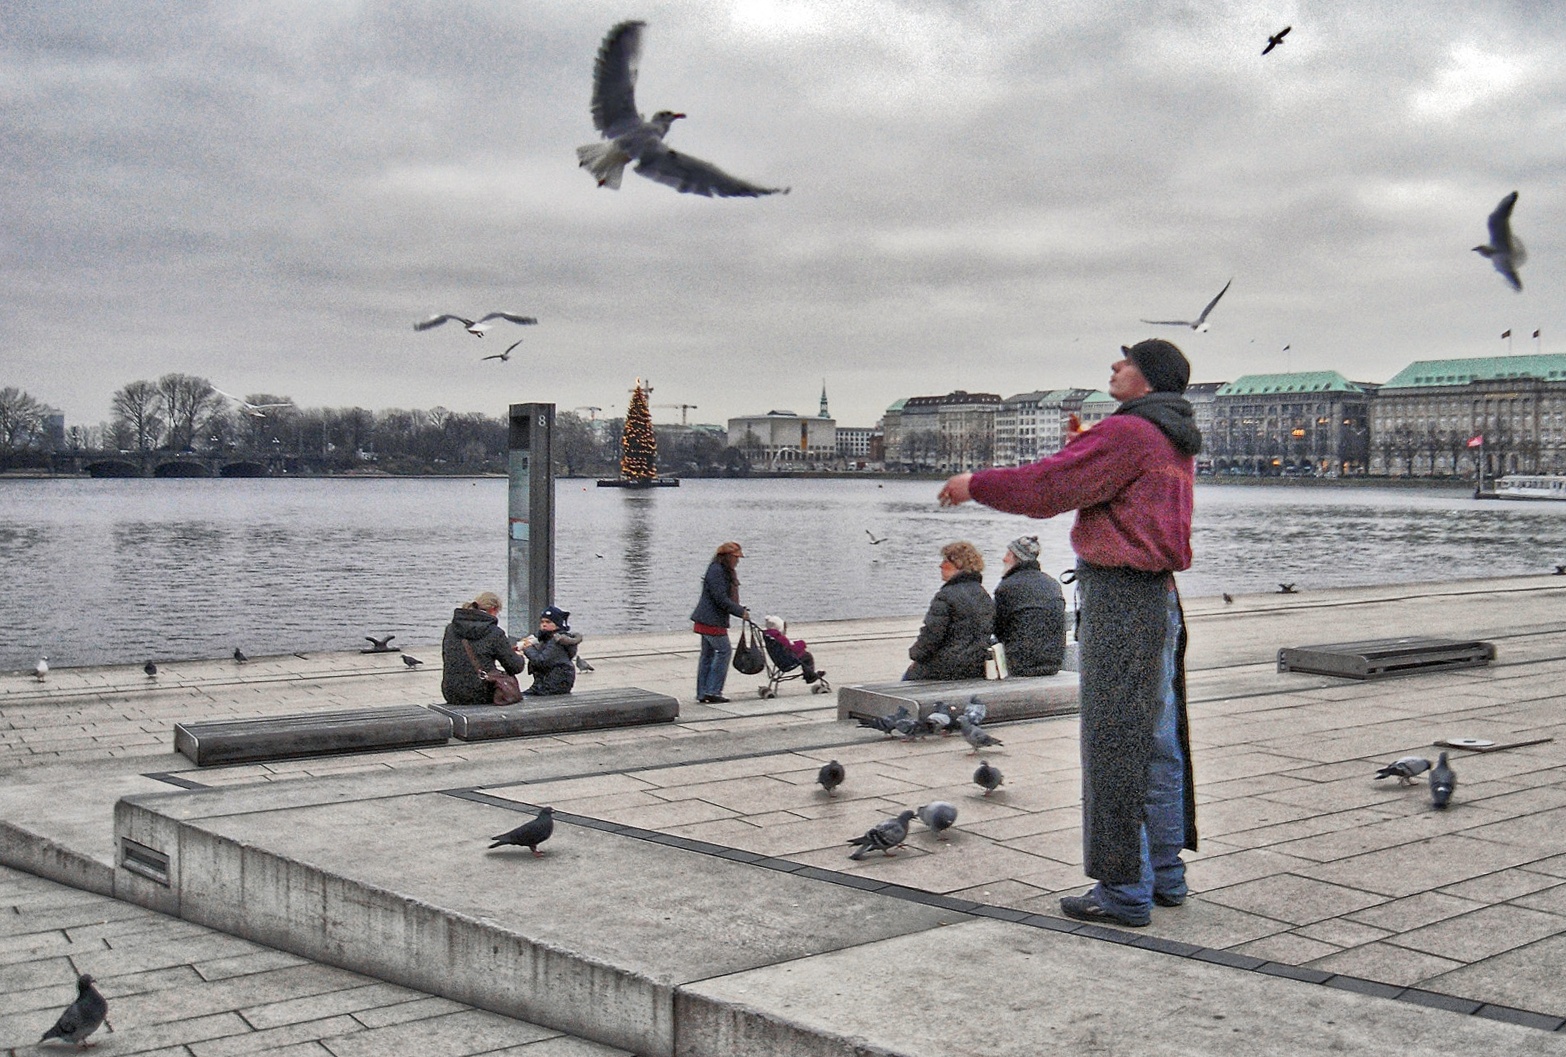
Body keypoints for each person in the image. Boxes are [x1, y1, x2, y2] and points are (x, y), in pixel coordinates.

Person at [937, 338, 1201, 928]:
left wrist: (973, 483)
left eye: (1125, 361)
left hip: (1119, 596)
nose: (1113, 366)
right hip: (1159, 597)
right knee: (1156, 739)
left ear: (1150, 377)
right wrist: (1088, 453)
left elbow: (1046, 489)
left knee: (1113, 741)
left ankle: (1123, 890)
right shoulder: (1168, 434)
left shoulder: (1130, 432)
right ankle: (1164, 872)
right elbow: (1115, 490)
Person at [904, 540, 994, 681]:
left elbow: (931, 635)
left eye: (945, 562)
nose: (940, 565)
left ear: (958, 565)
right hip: (974, 668)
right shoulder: (983, 595)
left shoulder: (946, 595)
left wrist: (915, 655)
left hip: (944, 668)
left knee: (907, 680)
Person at [993, 535, 1067, 677]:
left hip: (1020, 664)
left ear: (1017, 558)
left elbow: (998, 628)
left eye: (1008, 554)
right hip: (1053, 663)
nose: (1003, 559)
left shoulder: (1007, 587)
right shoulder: (1052, 583)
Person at [441, 590, 526, 707]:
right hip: (481, 692)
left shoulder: (450, 629)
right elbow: (514, 667)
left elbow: (448, 658)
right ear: (493, 609)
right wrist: (519, 656)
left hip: (452, 692)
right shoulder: (494, 632)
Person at [689, 541, 748, 703]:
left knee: (707, 655)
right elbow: (720, 599)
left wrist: (739, 609)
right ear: (727, 556)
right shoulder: (717, 571)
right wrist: (739, 611)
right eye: (736, 557)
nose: (737, 561)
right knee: (724, 652)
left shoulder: (718, 569)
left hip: (706, 620)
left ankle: (703, 692)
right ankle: (713, 691)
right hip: (711, 621)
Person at [518, 606, 582, 696]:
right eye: (542, 622)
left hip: (555, 683)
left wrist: (527, 648)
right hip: (544, 683)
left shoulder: (556, 640)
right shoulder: (544, 638)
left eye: (548, 622)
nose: (544, 625)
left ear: (557, 624)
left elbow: (541, 660)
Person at [761, 615, 826, 684]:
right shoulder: (779, 638)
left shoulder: (769, 637)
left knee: (803, 655)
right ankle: (810, 676)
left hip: (778, 659)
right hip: (787, 661)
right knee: (807, 656)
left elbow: (788, 645)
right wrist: (802, 644)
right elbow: (792, 647)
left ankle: (808, 674)